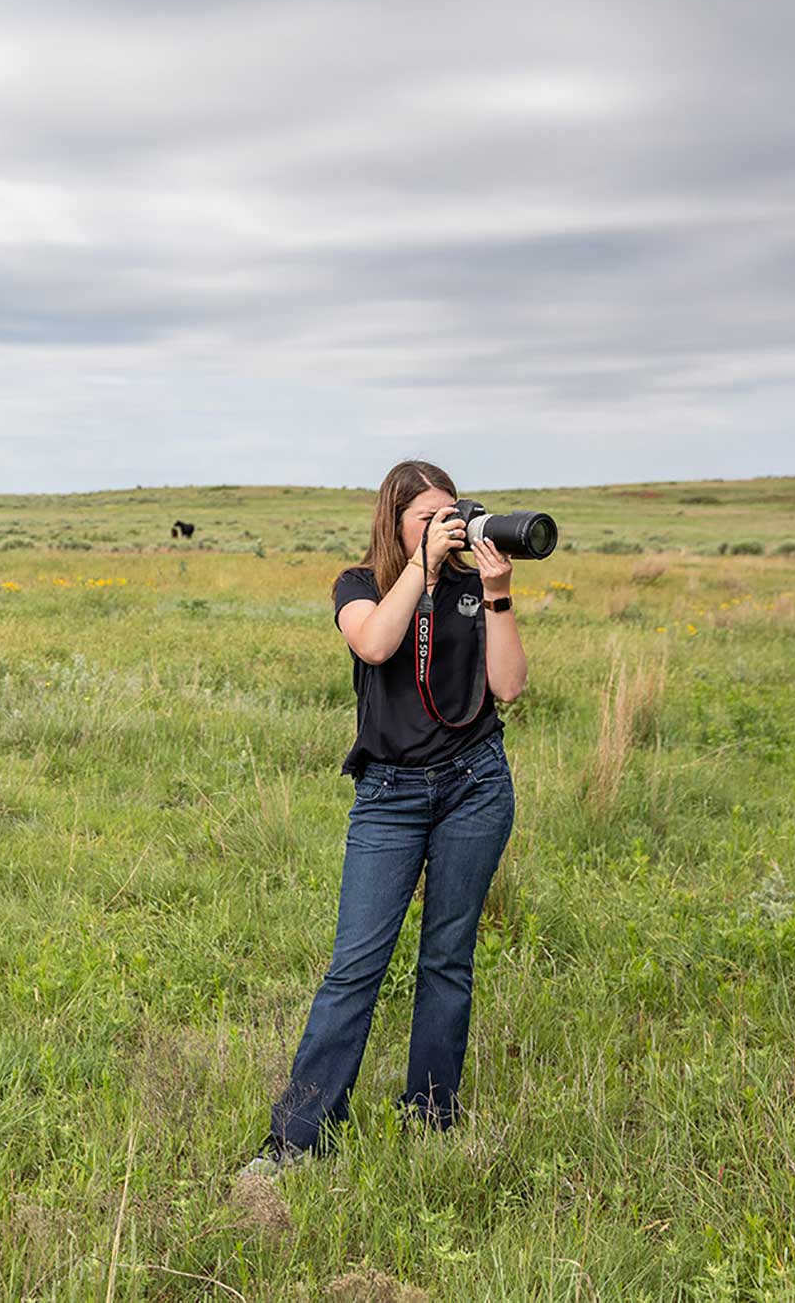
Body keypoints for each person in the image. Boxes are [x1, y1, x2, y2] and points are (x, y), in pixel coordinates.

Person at [242, 459, 528, 1178]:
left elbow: (510, 686)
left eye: (449, 512)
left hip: (476, 785)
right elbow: (373, 642)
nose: (443, 526)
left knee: (447, 961)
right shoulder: (359, 583)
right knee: (355, 967)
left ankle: (431, 1116)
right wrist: (421, 571)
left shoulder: (470, 585)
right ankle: (298, 1138)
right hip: (391, 796)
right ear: (393, 522)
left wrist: (495, 595)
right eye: (425, 517)